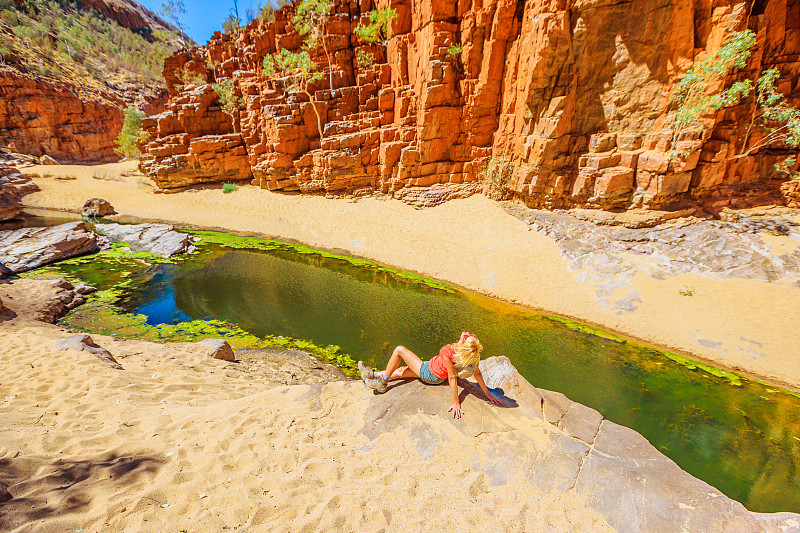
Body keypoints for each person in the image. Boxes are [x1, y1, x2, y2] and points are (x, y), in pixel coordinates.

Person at [358, 331, 502, 418]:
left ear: (464, 346)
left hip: (429, 373)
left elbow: (452, 377)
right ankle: (372, 374)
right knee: (402, 371)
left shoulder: (448, 350)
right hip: (434, 372)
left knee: (399, 350)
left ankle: (383, 382)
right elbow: (477, 374)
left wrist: (456, 402)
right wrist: (487, 393)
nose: (468, 336)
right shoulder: (472, 356)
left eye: (469, 338)